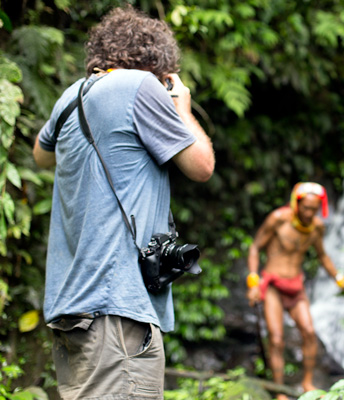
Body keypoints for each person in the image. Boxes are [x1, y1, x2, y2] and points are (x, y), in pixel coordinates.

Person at [32, 6, 214, 399]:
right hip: (117, 307)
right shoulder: (138, 86)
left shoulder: (71, 97)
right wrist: (180, 108)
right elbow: (202, 166)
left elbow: (41, 155)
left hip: (71, 309)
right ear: (158, 66)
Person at [246, 182, 344, 399]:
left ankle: (307, 383)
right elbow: (255, 247)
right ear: (297, 204)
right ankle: (279, 391)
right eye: (306, 208)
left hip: (296, 286)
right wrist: (253, 282)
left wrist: (340, 280)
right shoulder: (278, 219)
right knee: (276, 339)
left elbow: (322, 256)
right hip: (274, 285)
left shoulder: (316, 228)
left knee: (309, 333)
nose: (309, 213)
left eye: (314, 209)